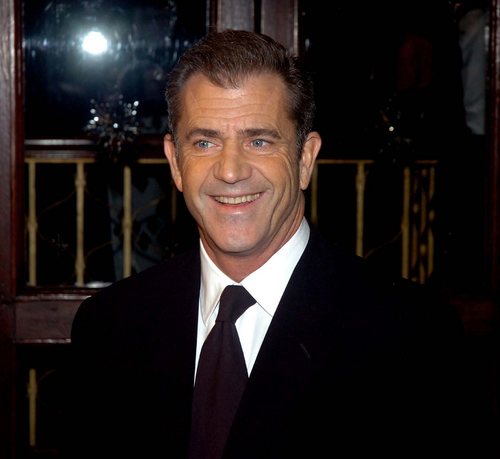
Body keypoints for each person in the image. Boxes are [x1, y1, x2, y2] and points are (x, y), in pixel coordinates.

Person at [63, 29, 474, 458]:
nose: (230, 171)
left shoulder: (411, 335)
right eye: (205, 142)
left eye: (258, 141)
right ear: (176, 163)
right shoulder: (109, 327)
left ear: (305, 159)